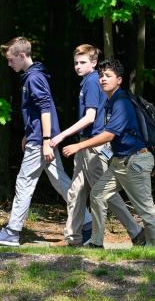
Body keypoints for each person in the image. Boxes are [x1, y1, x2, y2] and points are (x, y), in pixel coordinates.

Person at [62, 59, 155, 248]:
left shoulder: (122, 102)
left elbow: (109, 135)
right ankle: (96, 242)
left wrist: (79, 146)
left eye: (108, 76)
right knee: (97, 195)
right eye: (101, 76)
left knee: (146, 209)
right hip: (120, 161)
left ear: (119, 80)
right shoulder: (112, 101)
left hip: (135, 162)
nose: (102, 79)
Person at [50, 44, 145, 247]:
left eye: (83, 62)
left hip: (91, 147)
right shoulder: (88, 82)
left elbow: (90, 117)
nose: (78, 66)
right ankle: (73, 238)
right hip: (84, 145)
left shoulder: (92, 81)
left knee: (105, 194)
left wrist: (61, 136)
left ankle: (136, 231)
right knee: (75, 191)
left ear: (93, 63)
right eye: (76, 62)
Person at [0, 37, 75, 247]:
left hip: (41, 141)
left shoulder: (34, 78)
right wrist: (29, 132)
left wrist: (43, 140)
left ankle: (12, 232)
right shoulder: (33, 76)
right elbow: (38, 111)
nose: (9, 64)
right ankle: (87, 223)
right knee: (61, 182)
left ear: (22, 55)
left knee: (24, 183)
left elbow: (45, 109)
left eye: (10, 59)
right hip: (39, 137)